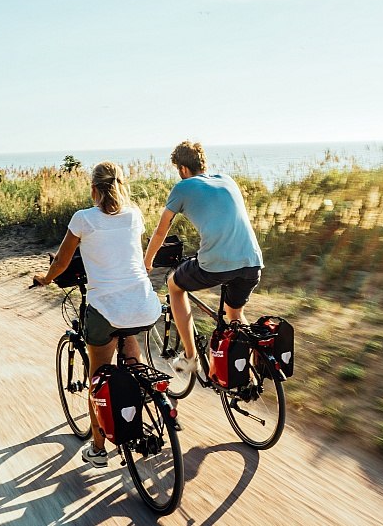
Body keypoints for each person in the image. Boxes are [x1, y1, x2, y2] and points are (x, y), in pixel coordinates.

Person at [34, 162, 161, 468]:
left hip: (106, 308)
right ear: (122, 185)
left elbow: (63, 262)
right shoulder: (135, 215)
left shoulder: (83, 219)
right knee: (129, 338)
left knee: (98, 376)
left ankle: (98, 448)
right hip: (144, 304)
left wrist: (46, 279)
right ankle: (142, 390)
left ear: (93, 189)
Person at [143, 140, 263, 375]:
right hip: (252, 261)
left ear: (183, 169)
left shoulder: (183, 187)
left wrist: (147, 261)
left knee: (174, 286)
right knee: (235, 313)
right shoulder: (228, 180)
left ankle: (190, 357)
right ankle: (255, 361)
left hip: (217, 263)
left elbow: (160, 232)